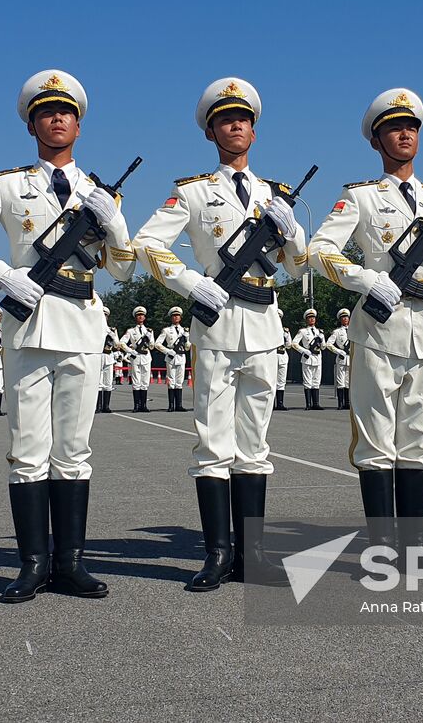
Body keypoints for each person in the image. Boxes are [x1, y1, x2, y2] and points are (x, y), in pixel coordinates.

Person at [0, 69, 137, 602]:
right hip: (28, 326)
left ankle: (70, 563)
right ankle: (32, 563)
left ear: (79, 124)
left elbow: (122, 269)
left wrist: (115, 224)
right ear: (32, 125)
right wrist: (4, 277)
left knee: (74, 451)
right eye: (46, 112)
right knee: (29, 451)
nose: (57, 119)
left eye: (66, 112)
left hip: (80, 325)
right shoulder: (8, 186)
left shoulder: (100, 192)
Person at [133, 77, 307, 590]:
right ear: (212, 132)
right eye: (226, 119)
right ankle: (217, 554)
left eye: (244, 118)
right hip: (215, 324)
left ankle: (252, 555)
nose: (236, 125)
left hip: (264, 324)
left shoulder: (275, 195)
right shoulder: (192, 192)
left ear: (254, 129)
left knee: (254, 445)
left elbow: (299, 268)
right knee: (214, 444)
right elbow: (147, 244)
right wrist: (193, 284)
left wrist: (291, 228)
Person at [307, 88, 423, 566]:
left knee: (418, 442)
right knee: (376, 443)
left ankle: (415, 547)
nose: (405, 134)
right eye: (395, 128)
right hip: (377, 330)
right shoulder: (359, 197)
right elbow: (318, 251)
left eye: (412, 127)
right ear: (377, 141)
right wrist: (367, 279)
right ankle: (380, 547)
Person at [155, 306, 192, 412]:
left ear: (180, 318)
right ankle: (171, 405)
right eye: (174, 316)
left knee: (179, 381)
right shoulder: (166, 330)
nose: (176, 317)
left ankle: (179, 405)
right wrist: (167, 351)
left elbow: (187, 346)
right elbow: (157, 344)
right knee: (171, 380)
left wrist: (187, 340)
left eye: (178, 316)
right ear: (171, 318)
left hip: (181, 356)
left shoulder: (184, 331)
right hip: (171, 356)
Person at [121, 306, 156, 412]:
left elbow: (152, 346)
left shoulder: (149, 331)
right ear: (136, 317)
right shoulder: (131, 331)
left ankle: (144, 406)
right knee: (136, 382)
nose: (140, 317)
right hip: (136, 357)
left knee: (145, 382)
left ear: (145, 317)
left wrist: (150, 339)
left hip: (146, 357)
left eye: (142, 315)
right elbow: (122, 342)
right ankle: (136, 405)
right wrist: (130, 351)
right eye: (138, 315)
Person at [293, 308, 327, 410]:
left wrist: (322, 339)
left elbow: (324, 347)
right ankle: (308, 404)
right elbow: (294, 343)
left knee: (316, 381)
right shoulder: (303, 331)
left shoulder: (319, 331)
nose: (312, 319)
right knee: (307, 381)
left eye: (313, 317)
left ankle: (316, 403)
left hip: (317, 357)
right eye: (309, 318)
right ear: (306, 320)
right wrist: (304, 351)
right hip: (308, 358)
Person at [327, 308, 352, 410]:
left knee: (348, 382)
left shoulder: (353, 330)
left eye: (346, 317)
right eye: (343, 318)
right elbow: (328, 344)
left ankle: (347, 403)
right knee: (340, 381)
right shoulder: (337, 332)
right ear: (340, 320)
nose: (345, 319)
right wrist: (339, 351)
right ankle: (340, 403)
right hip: (341, 358)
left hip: (350, 358)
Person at [97, 306, 118, 413]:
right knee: (98, 382)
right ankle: (98, 406)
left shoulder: (112, 330)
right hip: (99, 355)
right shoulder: (94, 329)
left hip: (109, 357)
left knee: (108, 382)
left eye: (105, 315)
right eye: (102, 315)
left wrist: (113, 336)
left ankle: (106, 406)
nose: (103, 317)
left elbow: (117, 345)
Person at [274, 309, 292, 411]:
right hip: (272, 356)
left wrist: (285, 339)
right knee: (271, 380)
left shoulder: (285, 331)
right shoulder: (268, 330)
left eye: (279, 317)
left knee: (281, 381)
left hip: (283, 356)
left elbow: (289, 345)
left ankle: (280, 403)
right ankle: (271, 404)